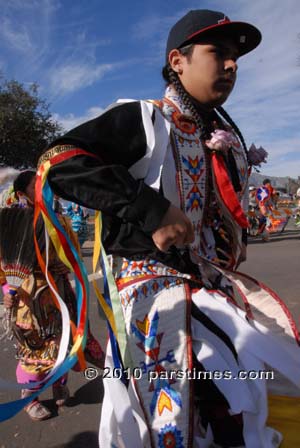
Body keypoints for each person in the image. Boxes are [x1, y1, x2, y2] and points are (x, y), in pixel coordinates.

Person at [36, 9, 300, 447]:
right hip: (153, 292)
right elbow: (57, 160)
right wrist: (149, 208)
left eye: (236, 57)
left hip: (211, 289)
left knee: (273, 379)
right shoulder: (147, 120)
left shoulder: (222, 137)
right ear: (178, 61)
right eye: (219, 53)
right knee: (185, 415)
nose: (232, 65)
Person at [1, 170, 103, 421]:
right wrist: (7, 292)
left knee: (64, 344)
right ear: (22, 192)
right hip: (28, 300)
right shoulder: (11, 224)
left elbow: (74, 258)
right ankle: (30, 396)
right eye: (37, 185)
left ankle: (59, 383)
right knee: (34, 349)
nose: (45, 189)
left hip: (60, 296)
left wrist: (65, 266)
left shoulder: (60, 221)